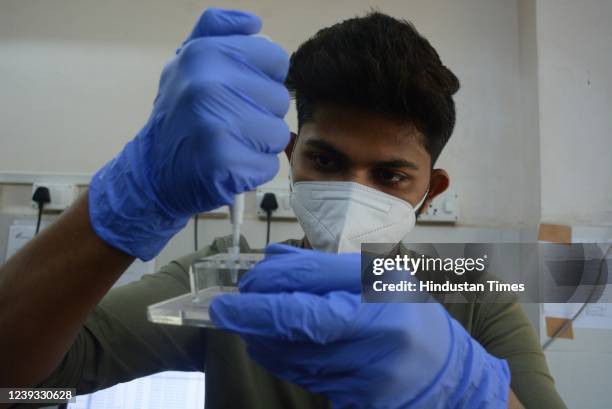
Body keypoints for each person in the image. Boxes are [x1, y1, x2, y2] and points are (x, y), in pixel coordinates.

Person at [0, 8, 567, 409]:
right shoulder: (231, 277)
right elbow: (21, 383)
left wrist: (471, 396)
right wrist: (129, 197)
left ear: (431, 190)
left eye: (390, 175)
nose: (351, 192)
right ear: (292, 157)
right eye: (327, 161)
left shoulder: (471, 291)